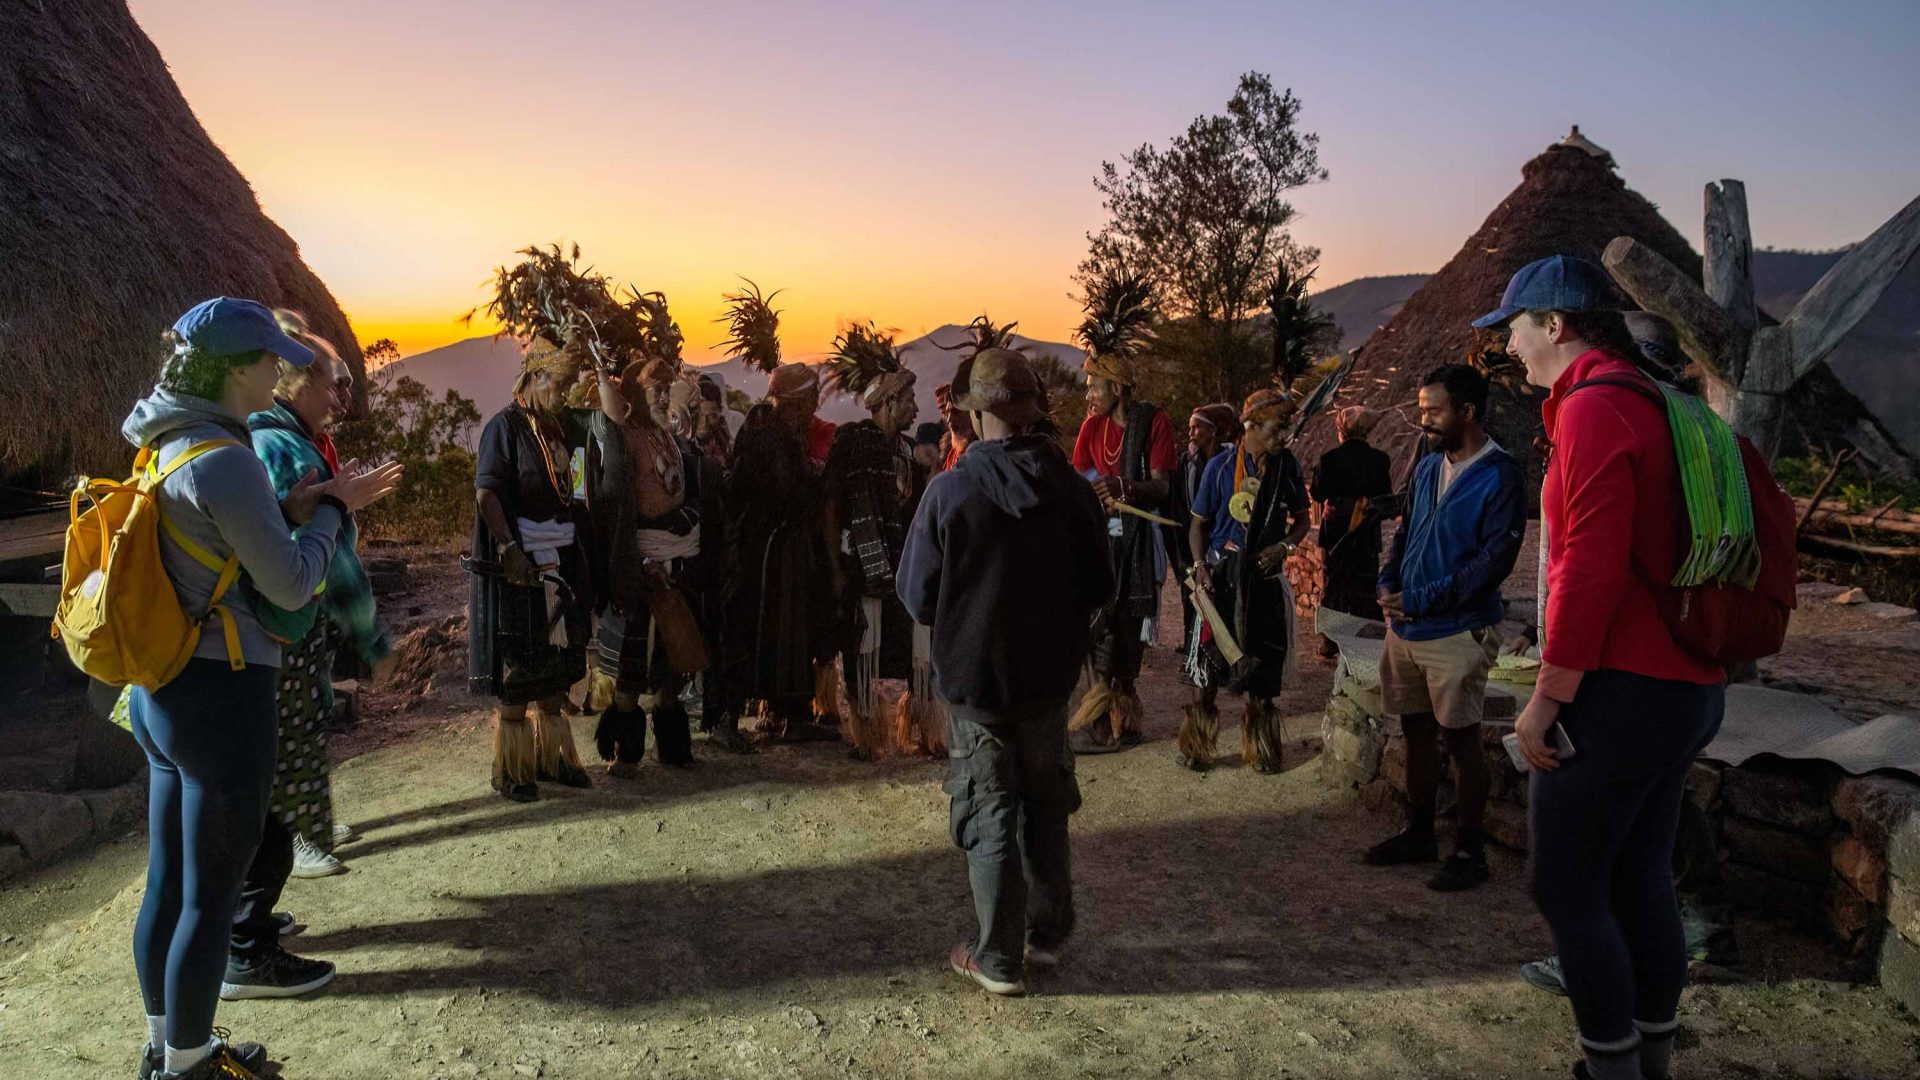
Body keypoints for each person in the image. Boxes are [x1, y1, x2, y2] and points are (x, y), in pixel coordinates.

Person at [122, 297, 398, 1080]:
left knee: (169, 886)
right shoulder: (228, 456)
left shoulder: (167, 443)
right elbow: (290, 586)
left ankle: (163, 1047)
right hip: (225, 692)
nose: (280, 371)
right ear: (235, 369)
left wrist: (291, 509)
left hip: (163, 690)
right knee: (212, 899)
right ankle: (192, 1065)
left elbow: (212, 540)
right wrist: (332, 513)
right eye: (269, 359)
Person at [1478, 255, 1727, 1080]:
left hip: (1617, 691)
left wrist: (1548, 697)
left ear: (1555, 325)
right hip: (1687, 683)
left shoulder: (1592, 411)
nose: (1507, 346)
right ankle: (1647, 1062)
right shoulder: (1661, 401)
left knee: (1566, 887)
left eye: (1513, 328)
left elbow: (1589, 565)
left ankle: (1611, 1069)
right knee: (1639, 874)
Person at [897, 348, 1114, 997]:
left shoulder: (951, 490)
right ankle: (1046, 934)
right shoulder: (1072, 488)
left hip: (979, 689)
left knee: (989, 809)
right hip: (1048, 686)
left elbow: (916, 594)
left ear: (981, 414)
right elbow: (1101, 583)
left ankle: (997, 959)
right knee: (1045, 804)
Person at [223, 312, 400, 1003]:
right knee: (275, 791)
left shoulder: (266, 444)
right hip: (275, 648)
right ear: (289, 384)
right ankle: (246, 943)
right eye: (332, 383)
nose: (341, 397)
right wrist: (374, 640)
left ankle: (248, 921)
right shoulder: (285, 453)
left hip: (263, 645)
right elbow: (333, 568)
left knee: (267, 787)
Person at [1362, 364, 1525, 891]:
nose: (1423, 420)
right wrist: (1388, 581)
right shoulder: (1430, 468)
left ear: (1468, 412)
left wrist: (1425, 599)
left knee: (1460, 739)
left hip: (1456, 629)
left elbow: (1492, 562)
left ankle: (1470, 850)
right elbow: (1406, 530)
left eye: (1433, 411)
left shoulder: (1500, 476)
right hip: (1407, 627)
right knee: (1414, 731)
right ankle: (1419, 832)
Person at [468, 337, 596, 802]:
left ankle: (556, 759)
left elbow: (576, 492)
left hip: (561, 564)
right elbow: (487, 493)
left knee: (558, 670)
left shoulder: (560, 430)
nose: (564, 394)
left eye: (568, 386)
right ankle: (514, 769)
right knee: (521, 669)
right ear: (535, 377)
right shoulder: (504, 428)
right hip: (522, 568)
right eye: (559, 385)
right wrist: (508, 548)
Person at [585, 355, 706, 775]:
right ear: (636, 391)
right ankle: (626, 751)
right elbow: (615, 499)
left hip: (678, 557)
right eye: (654, 389)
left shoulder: (667, 434)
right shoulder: (623, 433)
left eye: (665, 388)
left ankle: (672, 747)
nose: (661, 396)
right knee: (632, 669)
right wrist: (639, 559)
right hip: (641, 562)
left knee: (672, 663)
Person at [1180, 390, 1311, 772]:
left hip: (1263, 579)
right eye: (1276, 427)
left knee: (1264, 675)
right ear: (1250, 426)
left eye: (1286, 427)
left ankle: (1262, 750)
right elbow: (1198, 525)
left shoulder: (1287, 467)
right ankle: (1198, 746)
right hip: (1221, 579)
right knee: (1206, 673)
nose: (1283, 435)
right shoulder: (1220, 467)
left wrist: (1284, 549)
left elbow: (1302, 521)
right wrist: (1200, 564)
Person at [1067, 352, 1175, 753]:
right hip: (1106, 531)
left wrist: (1122, 488)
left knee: (1130, 628)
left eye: (1094, 385)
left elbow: (1162, 487)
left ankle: (1122, 714)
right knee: (1100, 621)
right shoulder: (1091, 428)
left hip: (1142, 537)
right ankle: (1097, 715)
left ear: (1116, 388)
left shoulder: (1154, 423)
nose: (1088, 393)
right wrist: (1096, 495)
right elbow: (1082, 479)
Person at [820, 353, 924, 758]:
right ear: (888, 402)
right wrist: (834, 567)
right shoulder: (853, 441)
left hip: (900, 567)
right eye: (909, 400)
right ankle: (866, 732)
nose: (915, 408)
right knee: (862, 645)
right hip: (859, 565)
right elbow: (829, 504)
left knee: (909, 646)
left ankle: (920, 727)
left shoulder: (908, 451)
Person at [725, 364, 835, 739]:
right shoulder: (774, 435)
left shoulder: (760, 427)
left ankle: (774, 708)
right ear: (798, 401)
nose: (815, 405)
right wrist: (819, 481)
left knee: (771, 624)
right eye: (812, 398)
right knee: (788, 625)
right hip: (779, 547)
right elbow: (786, 494)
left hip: (763, 544)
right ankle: (793, 714)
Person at [1311, 405, 1393, 646]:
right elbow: (1385, 497)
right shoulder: (1380, 460)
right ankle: (1368, 637)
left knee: (1334, 582)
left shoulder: (1329, 460)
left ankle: (1330, 641)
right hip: (1365, 531)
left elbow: (1317, 493)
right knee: (1365, 583)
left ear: (1341, 430)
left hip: (1335, 531)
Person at [1170, 404, 1240, 669]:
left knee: (1219, 598)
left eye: (1196, 427)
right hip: (1193, 536)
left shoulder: (1228, 463)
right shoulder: (1186, 462)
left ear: (1213, 431)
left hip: (1220, 540)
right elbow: (1178, 502)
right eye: (1190, 427)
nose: (1191, 433)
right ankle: (1194, 648)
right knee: (1192, 595)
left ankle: (1222, 655)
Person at [936, 382, 975, 471]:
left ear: (973, 413)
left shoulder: (988, 452)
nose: (949, 419)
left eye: (956, 412)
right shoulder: (951, 454)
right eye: (946, 412)